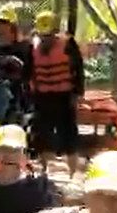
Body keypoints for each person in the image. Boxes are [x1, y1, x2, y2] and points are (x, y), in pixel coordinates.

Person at [29, 10, 84, 175]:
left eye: (49, 34)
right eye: (43, 35)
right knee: (41, 135)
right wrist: (31, 93)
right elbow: (30, 72)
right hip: (42, 97)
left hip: (64, 96)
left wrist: (78, 93)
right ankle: (45, 171)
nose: (46, 38)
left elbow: (78, 70)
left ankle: (73, 172)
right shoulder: (33, 47)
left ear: (56, 31)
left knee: (69, 135)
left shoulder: (68, 44)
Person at [0, 8, 31, 123]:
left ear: (12, 26)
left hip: (16, 93)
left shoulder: (23, 46)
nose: (1, 26)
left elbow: (27, 71)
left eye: (4, 22)